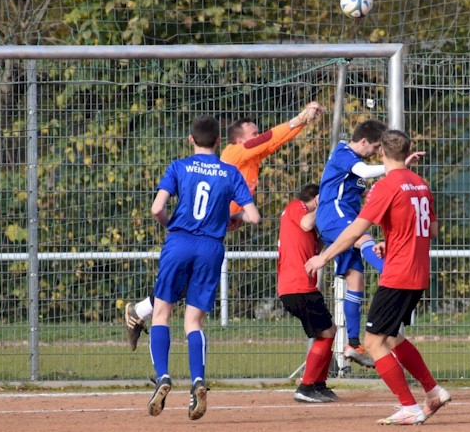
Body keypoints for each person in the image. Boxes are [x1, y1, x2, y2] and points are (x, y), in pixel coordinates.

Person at [124, 102, 323, 350]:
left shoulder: (251, 158)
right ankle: (140, 311)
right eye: (253, 133)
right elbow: (269, 138)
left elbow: (273, 142)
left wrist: (303, 123)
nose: (258, 136)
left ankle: (139, 310)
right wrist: (299, 118)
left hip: (210, 233)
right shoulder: (234, 153)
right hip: (195, 230)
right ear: (237, 140)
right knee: (184, 292)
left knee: (185, 287)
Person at [305, 129, 451, 425]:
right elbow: (431, 231)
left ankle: (409, 406)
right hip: (419, 272)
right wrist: (393, 241)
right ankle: (433, 391)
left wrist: (325, 255)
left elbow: (356, 230)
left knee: (373, 343)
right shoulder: (421, 184)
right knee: (394, 337)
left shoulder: (386, 186)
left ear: (381, 152)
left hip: (398, 275)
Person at [146, 115, 261, 420]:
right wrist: (233, 219)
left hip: (179, 242)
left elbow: (158, 208)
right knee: (193, 322)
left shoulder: (179, 167)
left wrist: (172, 224)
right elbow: (255, 216)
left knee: (161, 313)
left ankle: (163, 377)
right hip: (211, 247)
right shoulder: (230, 171)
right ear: (219, 142)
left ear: (191, 139)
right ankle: (198, 380)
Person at [315, 120, 424, 368]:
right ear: (363, 142)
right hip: (334, 216)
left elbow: (366, 189)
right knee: (364, 238)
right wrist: (392, 166)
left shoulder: (354, 166)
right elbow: (365, 172)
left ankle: (353, 343)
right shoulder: (345, 153)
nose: (377, 153)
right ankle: (393, 275)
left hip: (344, 217)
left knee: (356, 280)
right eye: (375, 148)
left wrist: (401, 168)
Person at [277, 184, 338, 403]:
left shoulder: (306, 222)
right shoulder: (297, 207)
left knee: (329, 330)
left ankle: (318, 385)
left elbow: (316, 241)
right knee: (327, 332)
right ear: (314, 200)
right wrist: (324, 203)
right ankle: (306, 386)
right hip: (298, 286)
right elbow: (306, 222)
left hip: (300, 287)